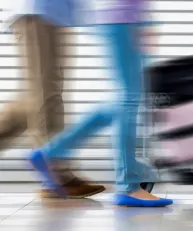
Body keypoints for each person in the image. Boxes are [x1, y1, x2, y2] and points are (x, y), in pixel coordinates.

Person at [0, 0, 106, 198]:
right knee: (46, 96)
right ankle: (57, 175)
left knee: (37, 96)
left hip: (53, 13)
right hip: (40, 10)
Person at [28, 0, 174, 207]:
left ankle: (51, 153)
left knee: (122, 101)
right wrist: (144, 20)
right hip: (122, 16)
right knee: (128, 99)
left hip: (118, 15)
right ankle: (129, 185)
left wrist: (145, 19)